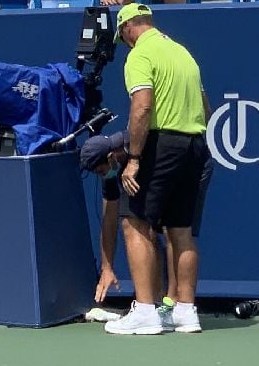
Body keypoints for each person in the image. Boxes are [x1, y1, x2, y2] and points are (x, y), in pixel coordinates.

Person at [104, 3, 211, 336]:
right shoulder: (183, 54)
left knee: (134, 222)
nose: (126, 43)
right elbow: (206, 108)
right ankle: (185, 312)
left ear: (129, 28)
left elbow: (142, 107)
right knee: (180, 229)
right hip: (195, 145)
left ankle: (147, 311)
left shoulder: (139, 55)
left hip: (161, 144)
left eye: (124, 36)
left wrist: (134, 158)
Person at [80, 129, 214, 316]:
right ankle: (155, 300)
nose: (103, 175)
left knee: (173, 227)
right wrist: (107, 268)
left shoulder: (142, 149)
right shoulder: (111, 170)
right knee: (143, 227)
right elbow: (109, 220)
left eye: (102, 171)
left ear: (111, 156)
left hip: (192, 165)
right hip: (161, 167)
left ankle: (173, 302)